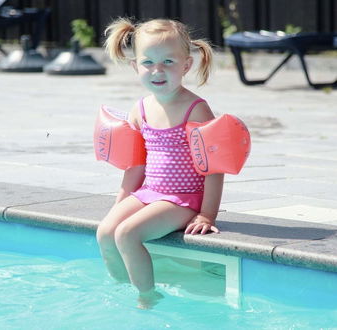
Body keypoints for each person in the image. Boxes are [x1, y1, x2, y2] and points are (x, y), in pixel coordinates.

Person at [96, 17, 224, 309]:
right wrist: (121, 202)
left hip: (183, 199)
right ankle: (123, 287)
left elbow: (213, 169)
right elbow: (135, 166)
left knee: (127, 234)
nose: (158, 70)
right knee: (105, 231)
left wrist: (207, 215)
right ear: (135, 66)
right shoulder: (139, 109)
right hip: (149, 192)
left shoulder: (196, 109)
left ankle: (147, 296)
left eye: (168, 61)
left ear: (186, 65)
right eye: (148, 62)